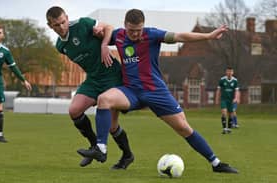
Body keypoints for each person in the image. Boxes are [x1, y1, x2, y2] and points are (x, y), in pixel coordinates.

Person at [78, 8, 238, 173]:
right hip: (130, 91)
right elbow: (99, 31)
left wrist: (209, 36)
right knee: (104, 99)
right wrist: (98, 33)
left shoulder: (151, 34)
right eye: (131, 30)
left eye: (138, 30)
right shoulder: (118, 35)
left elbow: (179, 36)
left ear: (143, 26)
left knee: (183, 128)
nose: (135, 34)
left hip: (155, 92)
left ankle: (216, 163)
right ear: (125, 25)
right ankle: (101, 148)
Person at [46, 6, 134, 169]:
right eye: (57, 25)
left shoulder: (83, 24)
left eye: (63, 22)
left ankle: (127, 155)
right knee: (74, 110)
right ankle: (95, 146)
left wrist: (104, 45)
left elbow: (108, 27)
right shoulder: (60, 46)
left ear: (67, 17)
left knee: (111, 126)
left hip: (111, 76)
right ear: (50, 26)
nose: (62, 27)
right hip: (93, 80)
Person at [0, 24, 32, 143]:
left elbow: (13, 67)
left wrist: (23, 80)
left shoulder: (5, 51)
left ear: (3, 35)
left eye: (0, 32)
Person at [215, 67, 240, 134]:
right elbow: (218, 90)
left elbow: (237, 91)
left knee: (231, 114)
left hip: (231, 100)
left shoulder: (235, 80)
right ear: (226, 72)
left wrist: (236, 98)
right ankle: (224, 128)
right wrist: (217, 99)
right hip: (224, 99)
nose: (229, 73)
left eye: (231, 71)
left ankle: (229, 128)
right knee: (224, 113)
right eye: (228, 71)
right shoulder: (222, 80)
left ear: (232, 72)